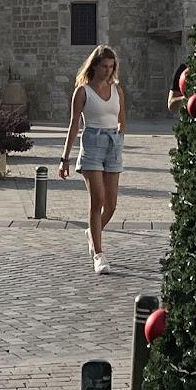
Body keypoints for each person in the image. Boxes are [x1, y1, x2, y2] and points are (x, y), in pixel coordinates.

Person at [56, 45, 127, 276]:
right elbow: (74, 124)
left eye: (111, 66)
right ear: (94, 65)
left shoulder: (117, 90)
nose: (108, 71)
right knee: (98, 200)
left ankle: (91, 232)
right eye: (104, 66)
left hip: (113, 145)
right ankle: (99, 254)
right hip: (92, 143)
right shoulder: (83, 91)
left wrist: (119, 141)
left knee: (112, 204)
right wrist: (64, 158)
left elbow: (122, 119)